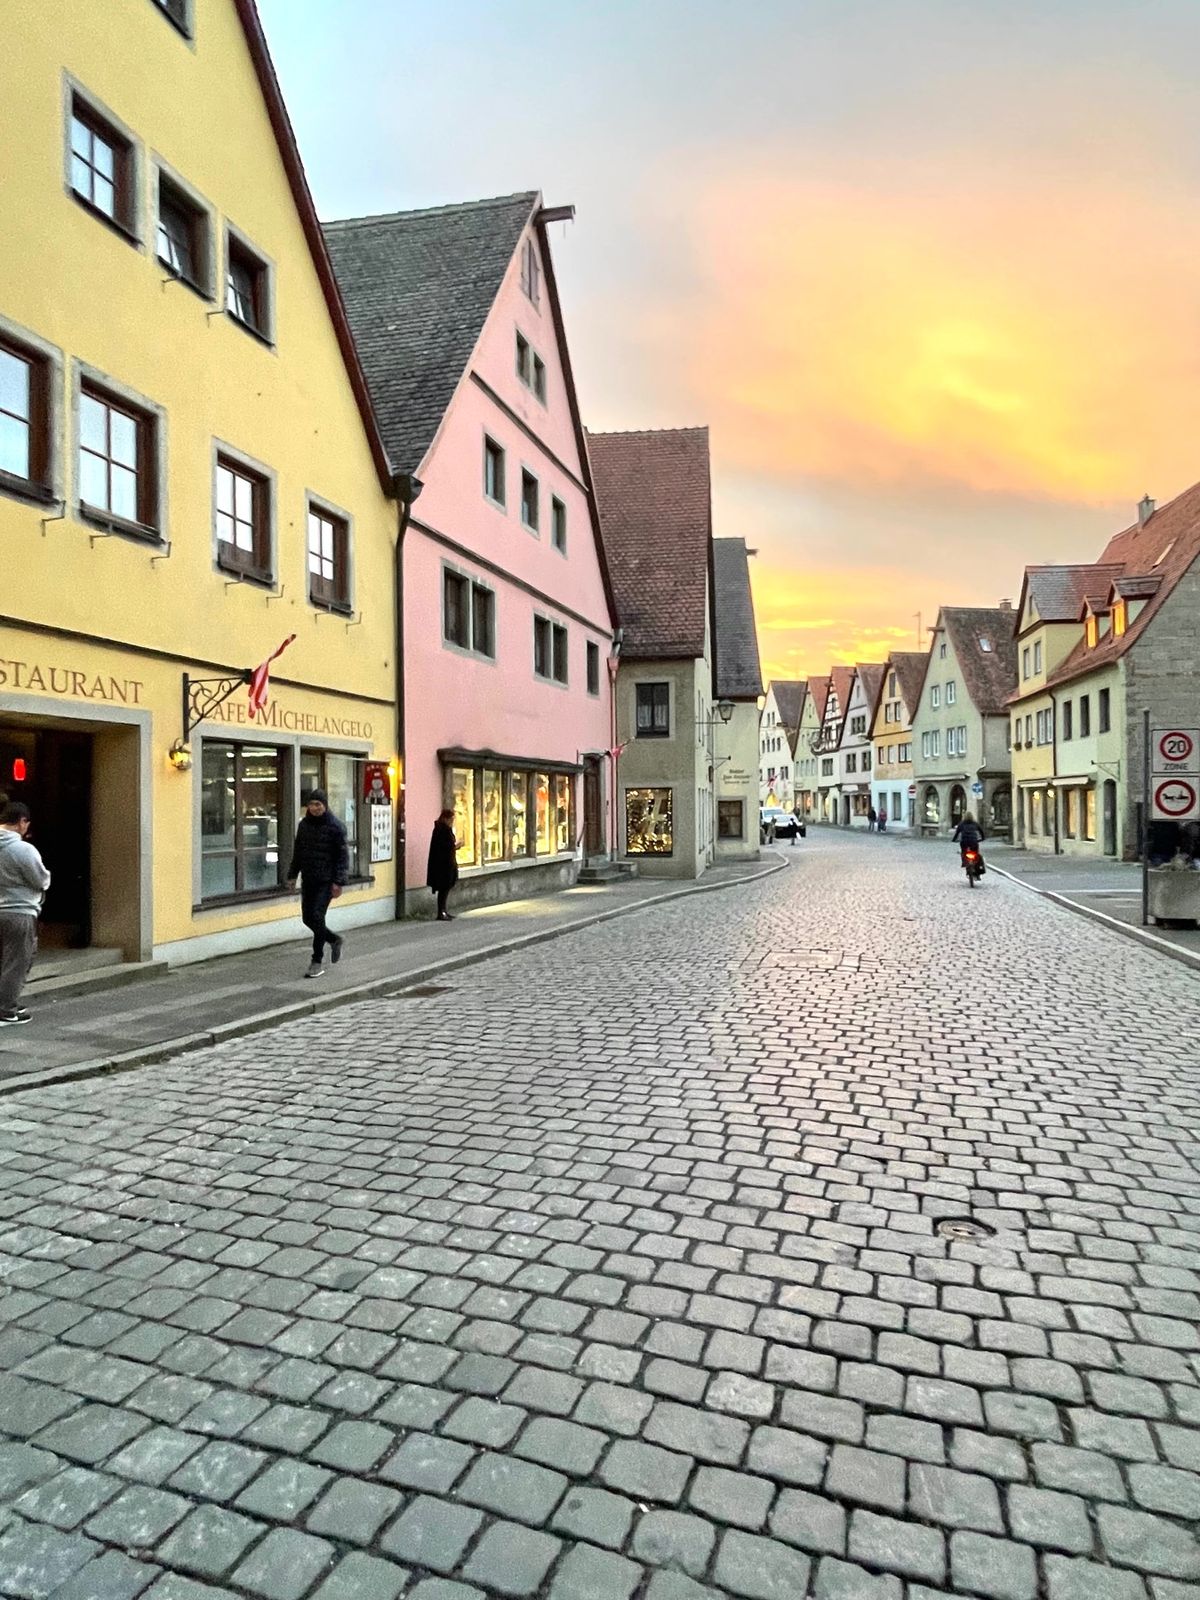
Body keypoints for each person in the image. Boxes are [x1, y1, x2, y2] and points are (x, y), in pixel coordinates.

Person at [285, 789, 349, 978]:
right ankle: (334, 939)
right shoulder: (304, 825)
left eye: (318, 805)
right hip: (309, 879)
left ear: (325, 806)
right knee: (307, 918)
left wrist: (338, 882)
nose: (314, 808)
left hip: (326, 881)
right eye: (311, 804)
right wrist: (292, 875)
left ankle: (316, 960)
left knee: (317, 916)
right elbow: (298, 852)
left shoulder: (336, 827)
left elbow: (342, 857)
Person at [0, 802, 51, 1026]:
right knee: (17, 962)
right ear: (21, 821)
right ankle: (6, 1010)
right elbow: (40, 879)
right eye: (25, 823)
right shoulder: (23, 850)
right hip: (19, 911)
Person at [427, 808, 459, 920]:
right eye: (451, 819)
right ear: (445, 818)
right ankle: (441, 912)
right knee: (443, 888)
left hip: (447, 863)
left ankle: (444, 911)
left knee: (446, 887)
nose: (452, 821)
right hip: (442, 864)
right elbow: (444, 846)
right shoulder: (441, 830)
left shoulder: (445, 829)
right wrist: (455, 846)